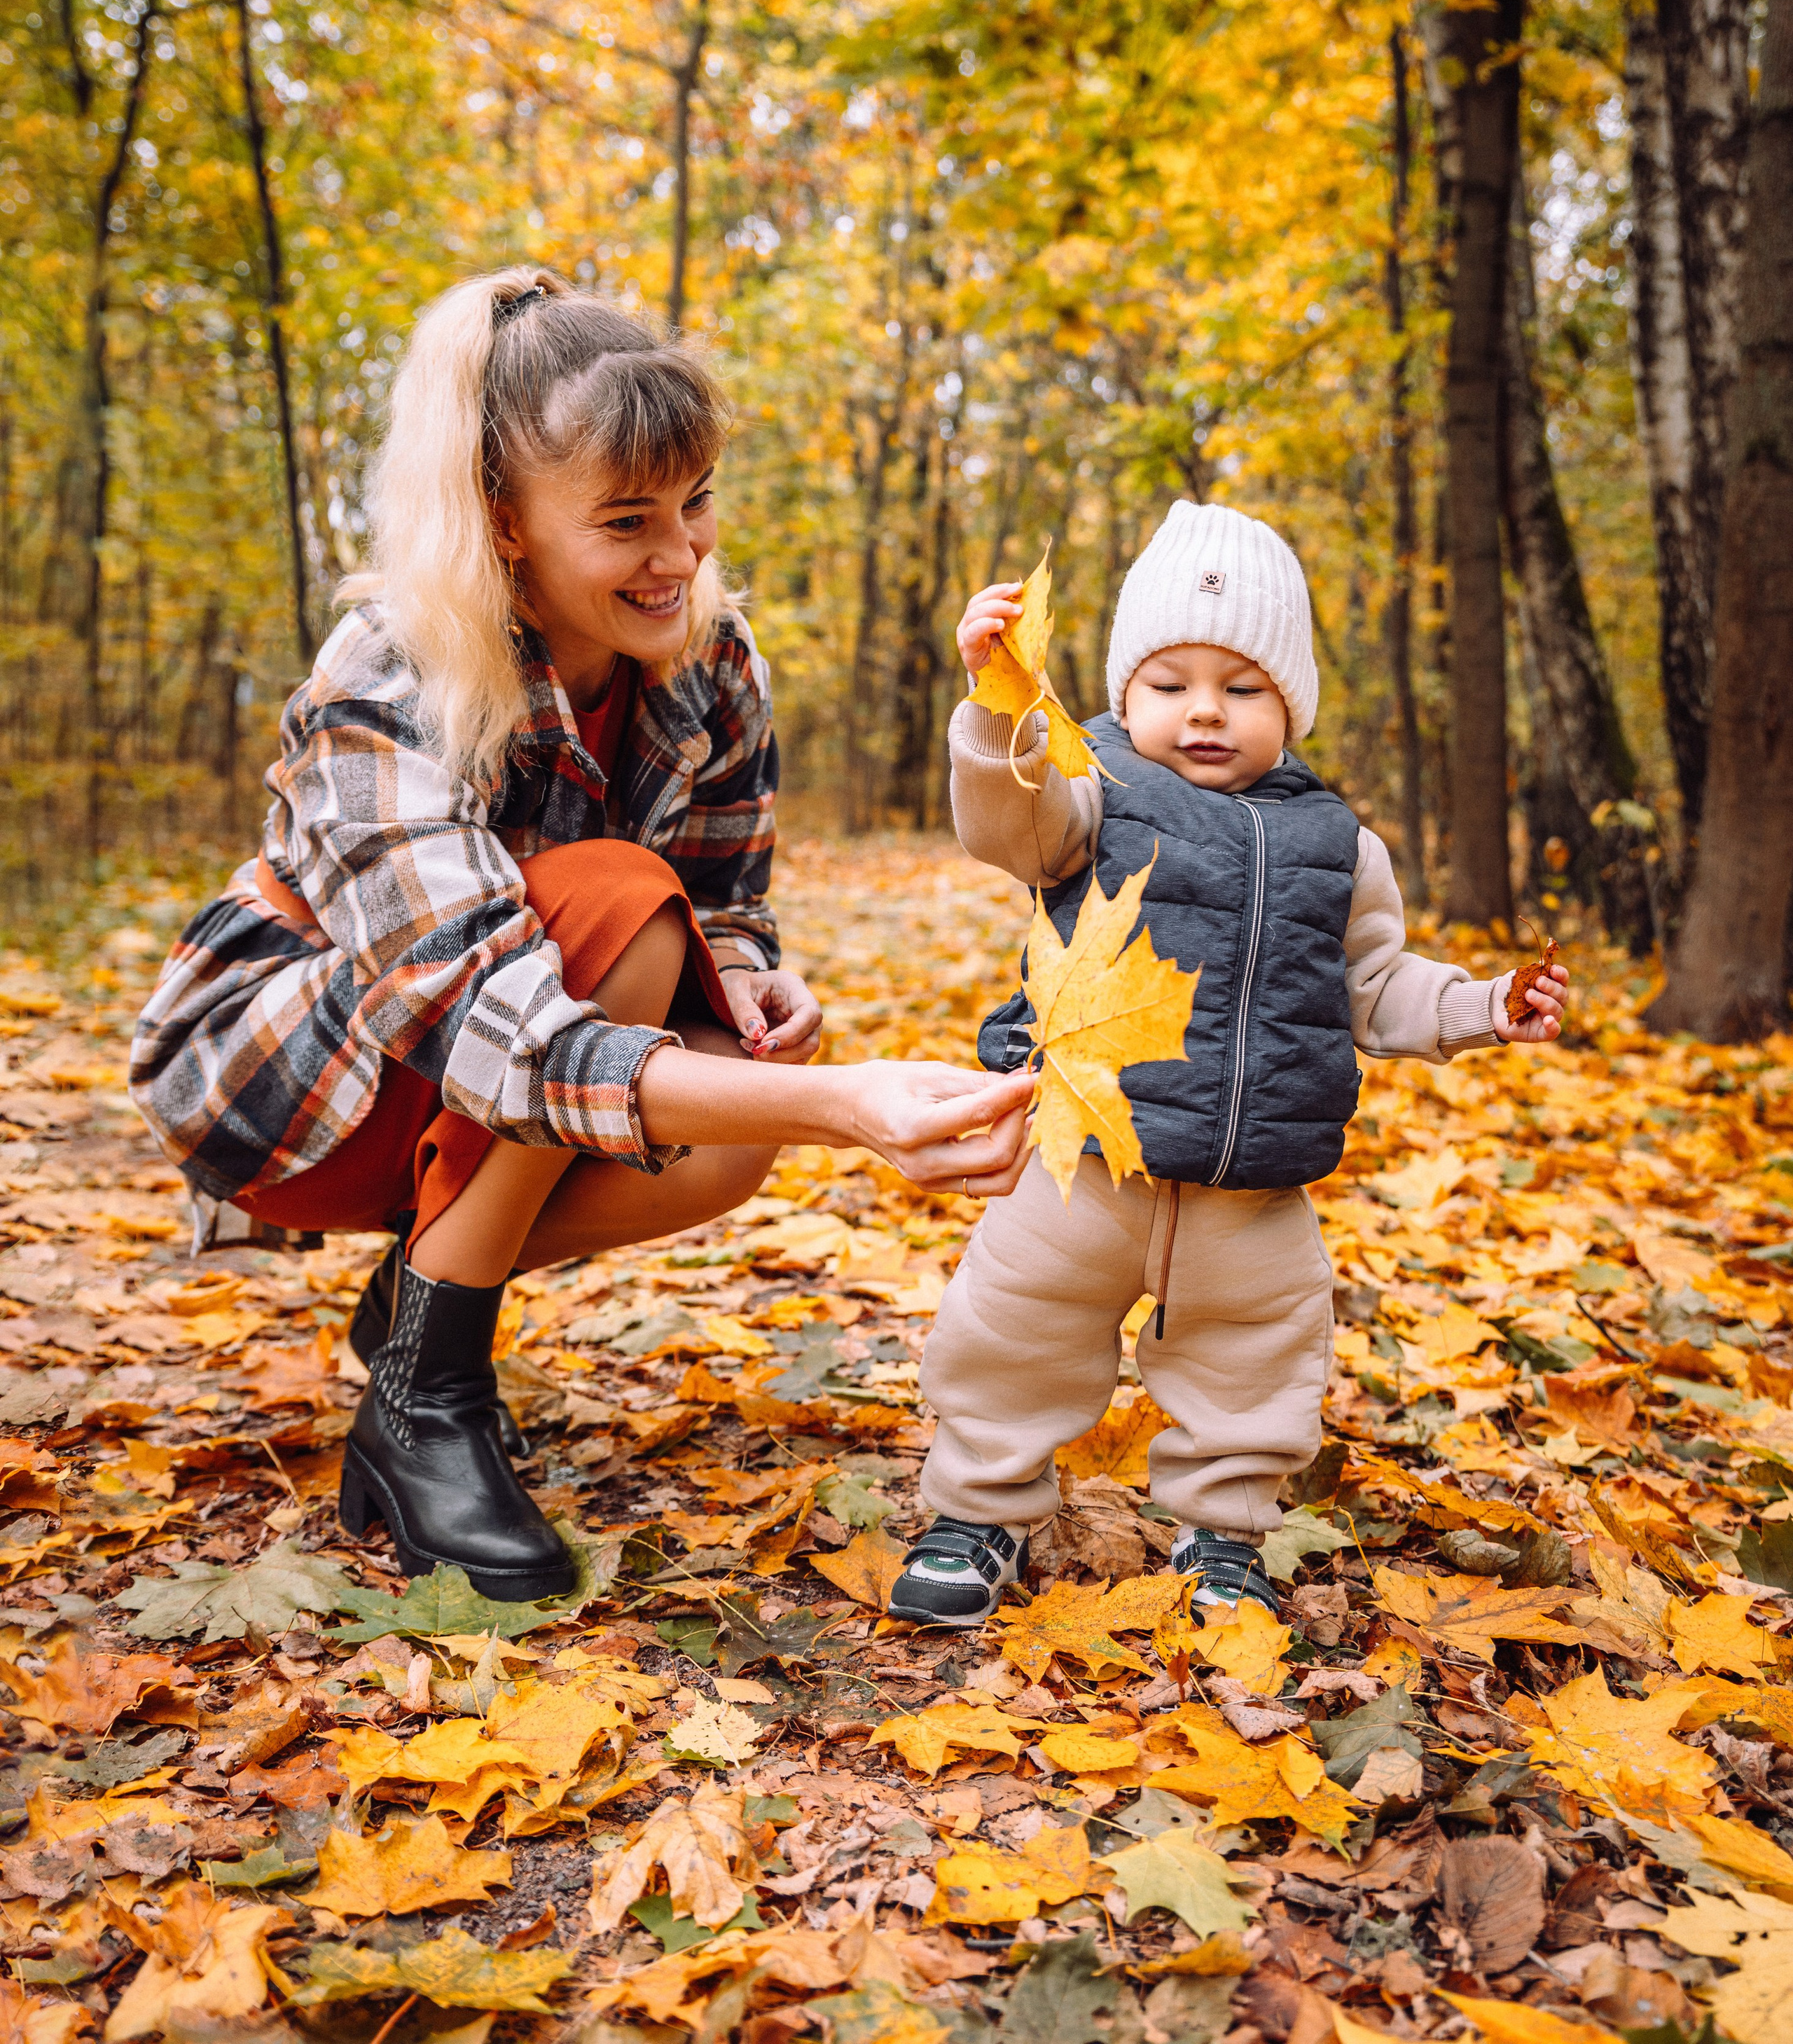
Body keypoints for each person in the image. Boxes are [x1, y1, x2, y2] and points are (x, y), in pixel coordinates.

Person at [131, 266, 1034, 1605]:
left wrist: (756, 988)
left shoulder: (714, 667)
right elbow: (480, 1016)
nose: (679, 557)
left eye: (696, 505)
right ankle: (425, 1404)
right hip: (295, 1078)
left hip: (495, 1071)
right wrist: (848, 1109)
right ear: (503, 521)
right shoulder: (392, 670)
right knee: (613, 895)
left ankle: (418, 1319)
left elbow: (721, 897)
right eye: (626, 521)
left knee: (734, 1123)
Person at [890, 500, 1570, 1628]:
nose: (1205, 710)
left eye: (1242, 688)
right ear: (1124, 695)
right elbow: (1008, 825)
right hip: (1089, 1160)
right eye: (1170, 683)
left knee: (1260, 1360)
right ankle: (979, 1513)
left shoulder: (1340, 844)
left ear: (1289, 705)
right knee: (1014, 1328)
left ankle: (1224, 1536)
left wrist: (1484, 1006)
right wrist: (998, 702)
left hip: (1255, 1186)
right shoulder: (1088, 794)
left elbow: (1373, 985)